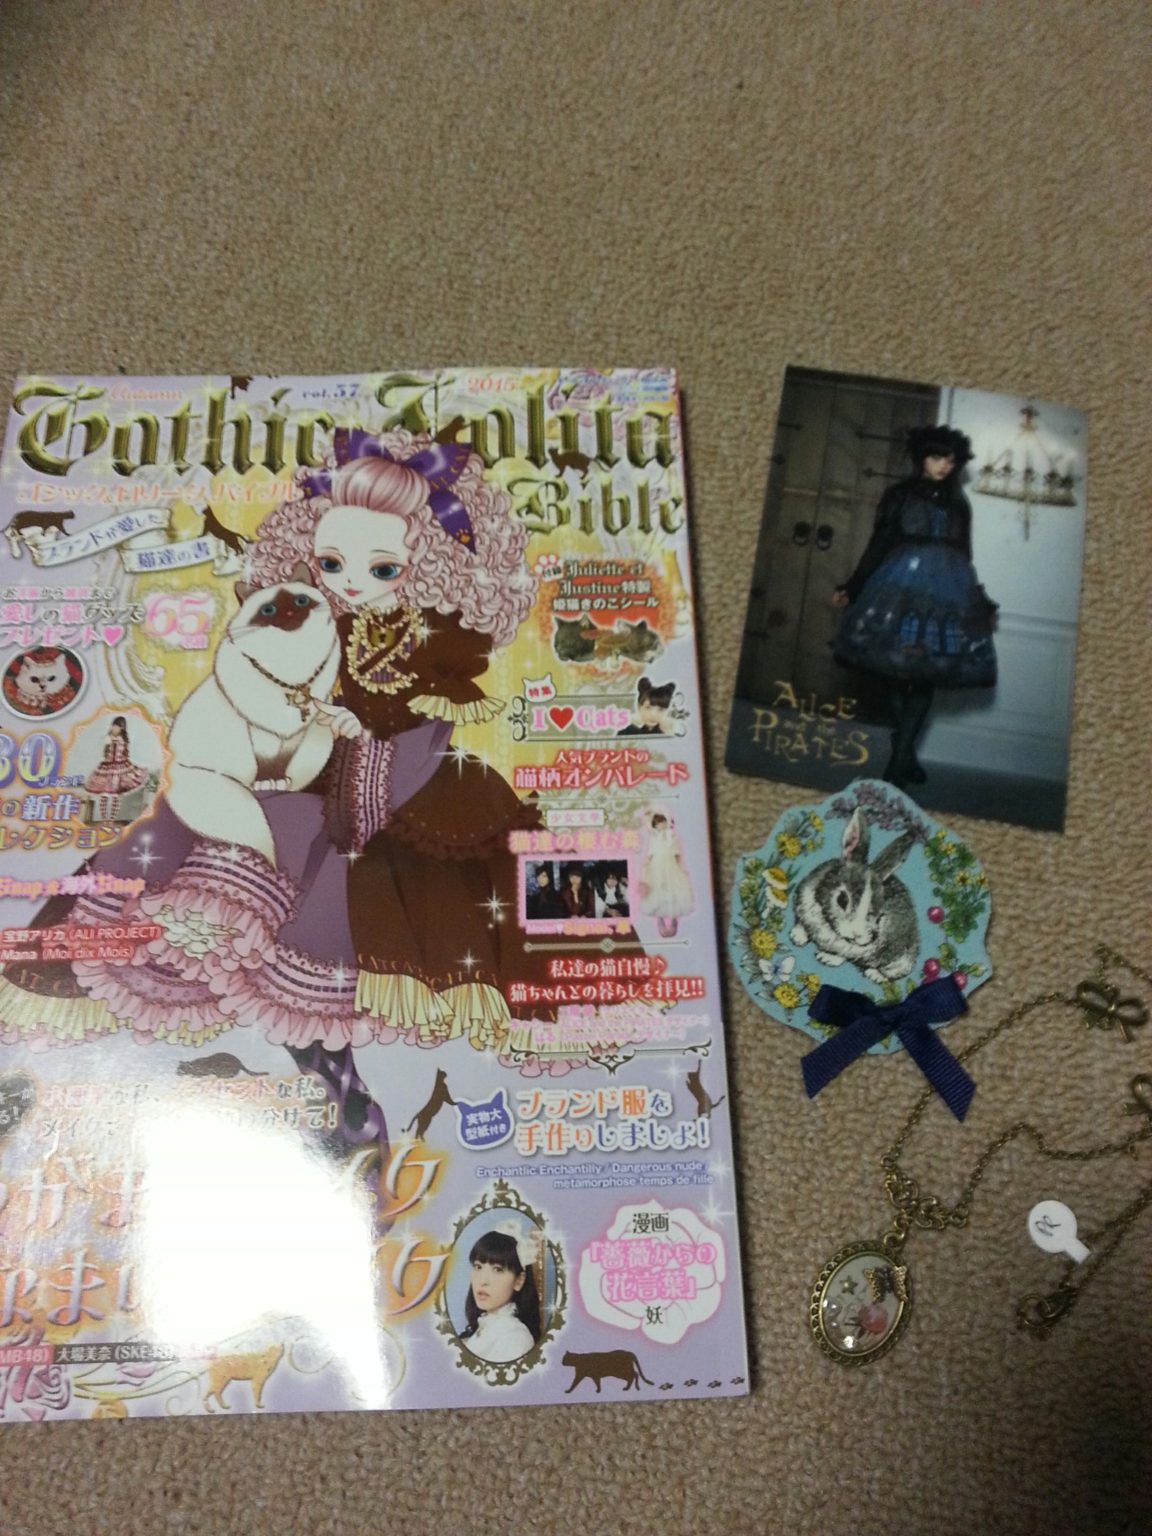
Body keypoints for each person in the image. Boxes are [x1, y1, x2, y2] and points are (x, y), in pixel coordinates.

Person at [0, 427, 561, 1158]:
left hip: (403, 787)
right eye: (331, 562)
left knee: (340, 917)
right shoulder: (304, 613)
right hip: (302, 776)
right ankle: (332, 1096)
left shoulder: (435, 639)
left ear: (428, 567)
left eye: (382, 567)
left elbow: (436, 710)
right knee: (213, 871)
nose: (350, 581)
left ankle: (346, 1100)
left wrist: (368, 737)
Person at [831, 425, 998, 789]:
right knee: (894, 669)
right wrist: (853, 586)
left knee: (925, 674)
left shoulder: (959, 502)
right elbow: (879, 542)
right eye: (936, 458)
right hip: (900, 586)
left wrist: (979, 599)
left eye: (950, 460)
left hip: (946, 592)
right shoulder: (900, 495)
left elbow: (965, 554)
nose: (944, 466)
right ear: (922, 458)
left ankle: (898, 761)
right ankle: (904, 753)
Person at [458, 1223, 542, 1363]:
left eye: (497, 1269)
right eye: (478, 1267)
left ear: (519, 1281)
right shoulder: (485, 1325)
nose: (483, 1281)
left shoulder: (515, 1337)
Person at [638, 812, 693, 938]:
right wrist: (645, 867)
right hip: (657, 867)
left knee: (673, 889)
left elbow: (677, 854)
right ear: (655, 826)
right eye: (658, 824)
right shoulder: (653, 838)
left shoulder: (673, 836)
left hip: (670, 865)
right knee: (657, 890)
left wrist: (682, 868)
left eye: (662, 822)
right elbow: (650, 854)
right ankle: (659, 919)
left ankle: (674, 919)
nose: (661, 825)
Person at [83, 716, 150, 796]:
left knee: (117, 790)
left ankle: (114, 803)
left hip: (120, 767)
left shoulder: (123, 740)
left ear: (122, 729)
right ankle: (103, 804)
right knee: (104, 790)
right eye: (113, 726)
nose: (114, 728)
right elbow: (101, 752)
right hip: (107, 766)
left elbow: (125, 755)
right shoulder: (107, 738)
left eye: (118, 727)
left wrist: (130, 764)